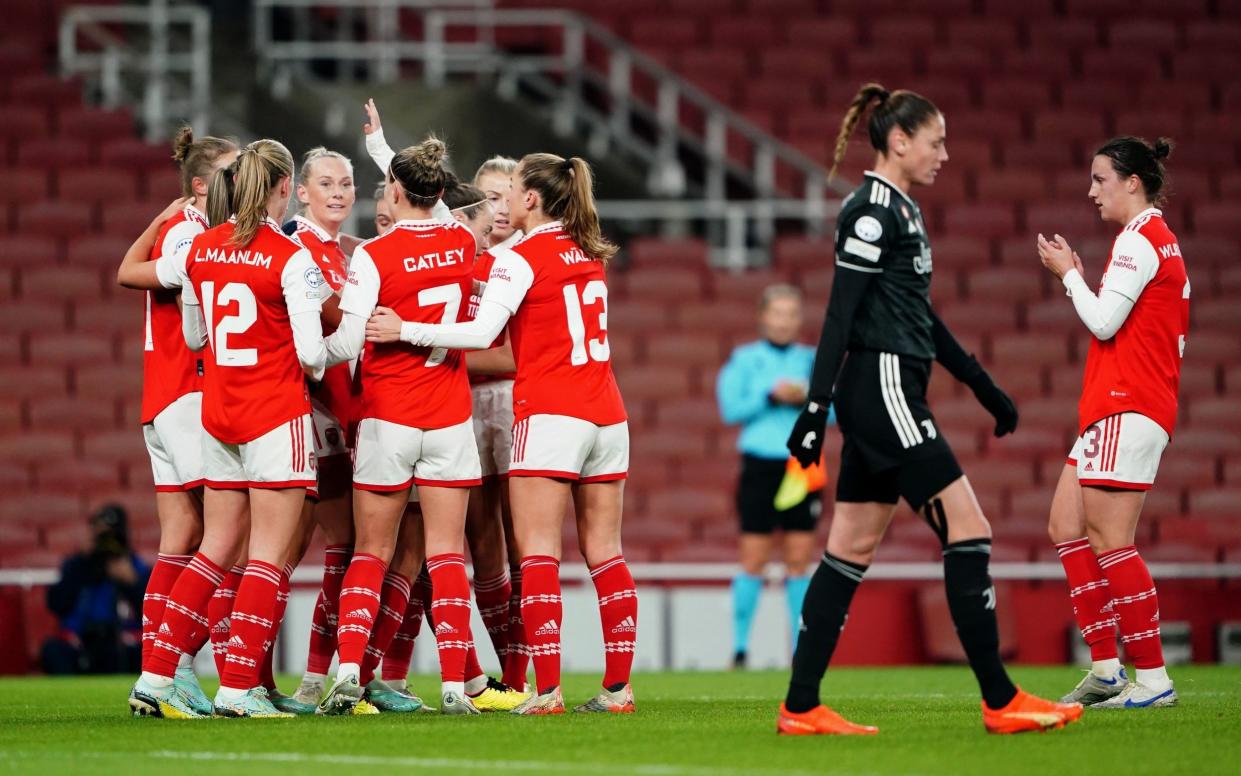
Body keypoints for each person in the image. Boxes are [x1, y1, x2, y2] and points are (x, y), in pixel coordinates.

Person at [777, 83, 1082, 736]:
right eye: (936, 140)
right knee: (969, 531)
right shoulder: (869, 211)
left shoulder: (902, 210)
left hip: (889, 389)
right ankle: (1000, 699)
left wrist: (979, 383)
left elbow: (920, 317)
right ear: (898, 141)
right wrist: (812, 410)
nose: (945, 153)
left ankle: (800, 706)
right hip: (882, 388)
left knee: (848, 548)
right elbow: (839, 312)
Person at [366, 152, 637, 716]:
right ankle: (618, 689)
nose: (500, 202)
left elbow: (484, 331)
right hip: (608, 414)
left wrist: (404, 328)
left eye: (509, 191)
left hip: (550, 414)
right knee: (605, 552)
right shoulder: (591, 249)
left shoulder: (519, 258)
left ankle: (548, 690)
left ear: (531, 200)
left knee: (537, 553)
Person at [128, 139, 329, 719]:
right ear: (285, 188)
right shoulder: (292, 257)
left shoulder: (201, 249)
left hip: (218, 416)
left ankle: (156, 676)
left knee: (212, 549)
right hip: (274, 415)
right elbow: (313, 357)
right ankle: (239, 689)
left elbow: (194, 338)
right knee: (266, 557)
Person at [316, 135, 486, 716]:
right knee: (445, 554)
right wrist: (386, 152)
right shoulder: (463, 240)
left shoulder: (374, 255)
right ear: (439, 190)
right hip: (449, 417)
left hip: (389, 417)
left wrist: (308, 348)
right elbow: (433, 203)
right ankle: (457, 688)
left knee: (372, 549)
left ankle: (345, 673)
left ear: (393, 191)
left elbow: (345, 341)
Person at [1038, 137, 1188, 710]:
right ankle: (1105, 667)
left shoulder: (1141, 239)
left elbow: (1103, 323)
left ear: (1133, 182)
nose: (1092, 190)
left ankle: (1152, 680)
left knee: (1110, 539)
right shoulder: (1156, 241)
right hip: (1118, 404)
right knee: (1065, 524)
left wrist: (1068, 275)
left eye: (1101, 179)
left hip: (1129, 403)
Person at [115, 126, 238, 713]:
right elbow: (133, 273)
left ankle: (156, 670)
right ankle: (181, 668)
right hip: (188, 397)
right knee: (225, 537)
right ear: (200, 185)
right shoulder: (192, 235)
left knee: (180, 539)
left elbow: (129, 268)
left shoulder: (183, 227)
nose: (242, 183)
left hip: (161, 401)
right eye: (231, 174)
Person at [716, 284, 825, 668]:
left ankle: (800, 651)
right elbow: (730, 408)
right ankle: (741, 649)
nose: (783, 321)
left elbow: (835, 411)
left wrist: (808, 397)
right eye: (777, 313)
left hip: (801, 465)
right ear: (763, 317)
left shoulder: (813, 361)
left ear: (799, 320)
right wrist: (769, 395)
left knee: (799, 560)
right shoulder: (745, 359)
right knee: (754, 558)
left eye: (791, 314)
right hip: (760, 465)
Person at [42, 505, 151, 675]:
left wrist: (133, 583)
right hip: (81, 641)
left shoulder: (136, 567)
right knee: (54, 649)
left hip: (121, 640)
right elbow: (56, 604)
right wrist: (81, 564)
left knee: (143, 651)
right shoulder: (77, 565)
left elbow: (152, 614)